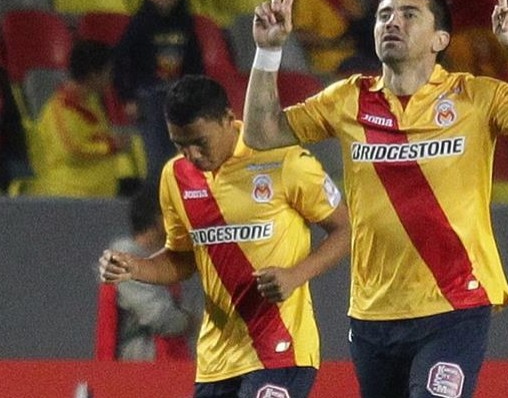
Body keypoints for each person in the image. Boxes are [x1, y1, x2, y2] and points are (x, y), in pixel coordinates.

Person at [243, 0, 508, 398]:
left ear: (440, 38)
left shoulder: (474, 97)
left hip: (454, 304)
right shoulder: (348, 99)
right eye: (384, 15)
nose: (392, 23)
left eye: (408, 15)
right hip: (373, 310)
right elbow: (261, 134)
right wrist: (268, 50)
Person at [99, 75, 351, 398]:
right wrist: (136, 267)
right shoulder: (175, 177)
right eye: (179, 145)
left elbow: (344, 228)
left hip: (281, 349)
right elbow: (181, 259)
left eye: (199, 142)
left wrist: (295, 275)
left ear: (229, 120)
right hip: (217, 359)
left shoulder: (281, 159)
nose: (191, 155)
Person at [113, 0, 204, 186]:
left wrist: (197, 97)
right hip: (149, 97)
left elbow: (195, 64)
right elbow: (120, 62)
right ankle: (157, 201)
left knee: (181, 156)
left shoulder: (186, 24)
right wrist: (127, 98)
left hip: (179, 99)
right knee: (157, 157)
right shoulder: (140, 24)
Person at [102, 184, 201, 360]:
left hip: (171, 358)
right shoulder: (124, 256)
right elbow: (159, 316)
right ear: (157, 218)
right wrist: (191, 321)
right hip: (140, 361)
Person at [33, 40, 135, 198]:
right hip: (71, 197)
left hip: (98, 193)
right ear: (94, 75)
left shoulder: (91, 101)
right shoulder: (60, 109)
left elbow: (95, 137)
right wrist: (111, 146)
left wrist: (113, 141)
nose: (111, 77)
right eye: (108, 71)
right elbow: (71, 150)